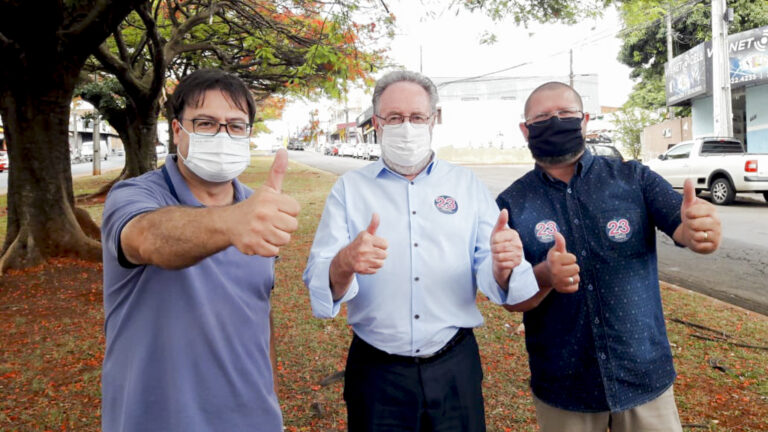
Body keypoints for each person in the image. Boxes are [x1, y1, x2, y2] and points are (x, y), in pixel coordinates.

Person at [303, 70, 539, 431]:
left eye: (416, 117)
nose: (406, 127)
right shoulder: (350, 189)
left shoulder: (466, 185)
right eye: (395, 118)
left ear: (433, 120)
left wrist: (504, 264)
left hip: (454, 366)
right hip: (377, 372)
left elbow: (492, 266)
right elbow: (320, 279)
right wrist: (344, 263)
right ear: (377, 124)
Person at [496, 81, 722, 432]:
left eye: (565, 114)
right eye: (542, 117)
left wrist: (698, 231)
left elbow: (684, 225)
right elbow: (512, 299)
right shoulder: (512, 204)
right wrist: (545, 275)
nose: (555, 122)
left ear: (585, 121)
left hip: (644, 377)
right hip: (564, 386)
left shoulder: (634, 179)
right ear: (525, 129)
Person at [101, 69, 300, 432]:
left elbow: (256, 308)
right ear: (178, 131)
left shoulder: (257, 211)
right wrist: (230, 223)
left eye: (236, 126)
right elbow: (149, 238)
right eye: (206, 123)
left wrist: (270, 398)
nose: (223, 134)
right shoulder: (133, 197)